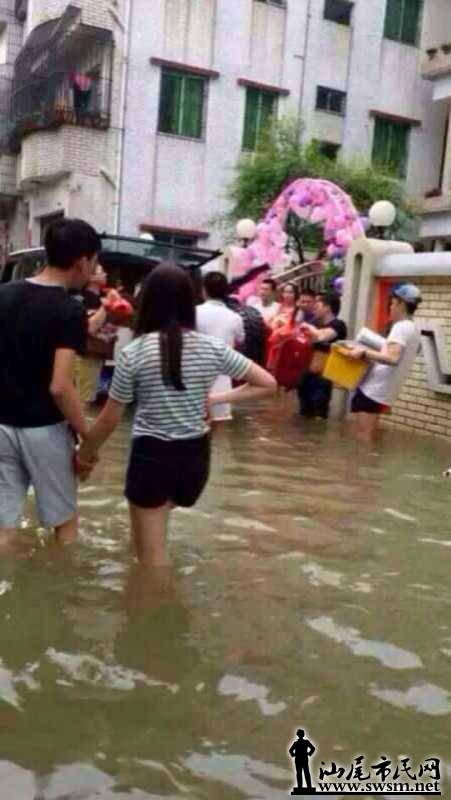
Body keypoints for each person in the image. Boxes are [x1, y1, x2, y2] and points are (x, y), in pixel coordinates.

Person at [78, 263, 276, 567]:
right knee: (152, 544)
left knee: (151, 561)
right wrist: (216, 397)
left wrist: (83, 455)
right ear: (189, 302)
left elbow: (109, 418)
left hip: (152, 458)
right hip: (195, 460)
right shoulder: (212, 348)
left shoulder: (135, 352)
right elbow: (267, 383)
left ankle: (153, 611)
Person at [0, 218, 101, 547]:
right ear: (82, 261)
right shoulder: (68, 310)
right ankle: (61, 594)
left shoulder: (4, 294)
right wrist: (87, 434)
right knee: (64, 524)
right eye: (95, 262)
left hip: (1, 425)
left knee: (4, 524)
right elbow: (60, 386)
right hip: (44, 428)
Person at [346, 283, 422, 441]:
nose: (391, 308)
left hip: (373, 390)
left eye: (393, 303)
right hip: (382, 391)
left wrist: (363, 352)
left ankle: (361, 465)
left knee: (363, 436)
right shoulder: (413, 329)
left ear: (401, 303)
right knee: (368, 435)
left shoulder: (400, 327)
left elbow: (392, 358)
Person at [196, 271, 245, 421]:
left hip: (195, 380)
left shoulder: (193, 312)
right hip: (222, 383)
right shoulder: (235, 317)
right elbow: (241, 340)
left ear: (203, 290)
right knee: (220, 433)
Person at [297, 293, 347, 419]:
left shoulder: (338, 325)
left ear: (327, 308)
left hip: (324, 378)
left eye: (318, 305)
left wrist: (307, 327)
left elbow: (321, 336)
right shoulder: (314, 323)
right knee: (303, 413)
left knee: (319, 415)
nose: (314, 308)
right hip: (307, 375)